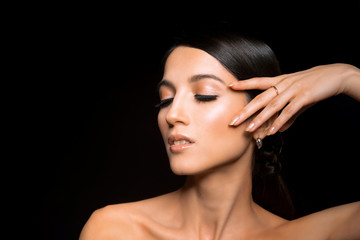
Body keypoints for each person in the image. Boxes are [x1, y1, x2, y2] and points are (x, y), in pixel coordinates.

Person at [80, 30, 360, 239]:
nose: (172, 114)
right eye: (165, 99)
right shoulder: (116, 229)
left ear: (265, 120)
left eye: (204, 95)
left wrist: (346, 77)